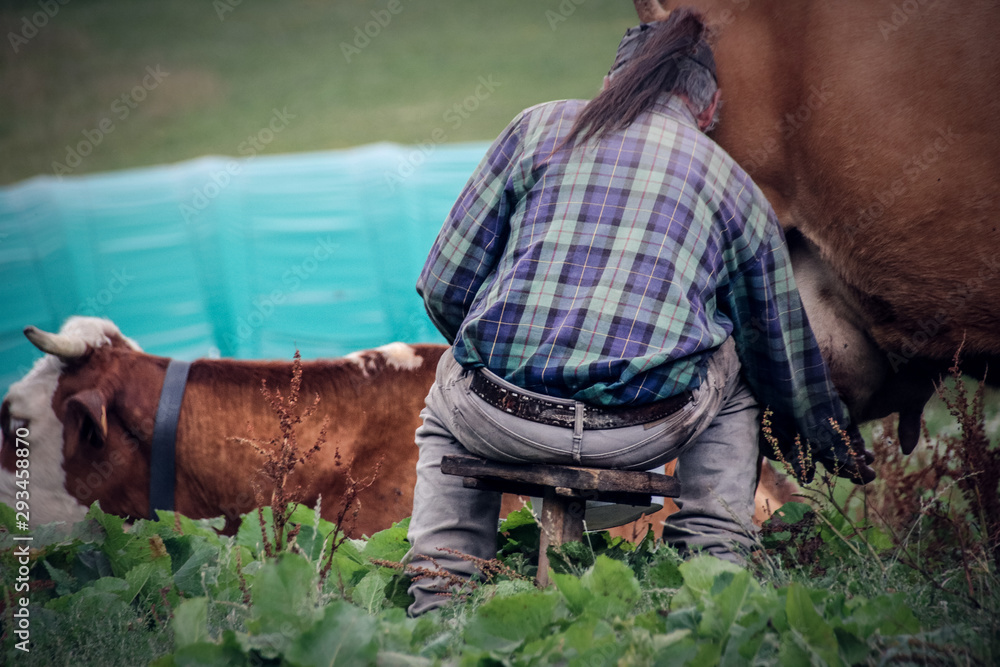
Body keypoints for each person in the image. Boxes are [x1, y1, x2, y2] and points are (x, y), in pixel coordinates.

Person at [405, 9, 874, 616]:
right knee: (736, 361)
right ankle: (714, 576)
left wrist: (500, 366)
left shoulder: (535, 128)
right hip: (641, 431)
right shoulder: (735, 187)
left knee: (447, 390)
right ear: (708, 113)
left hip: (498, 418)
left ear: (612, 83)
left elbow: (443, 285)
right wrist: (830, 443)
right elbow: (780, 355)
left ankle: (437, 596)